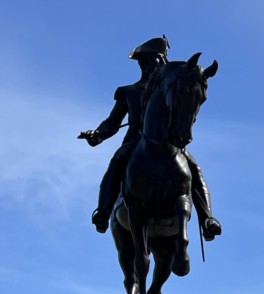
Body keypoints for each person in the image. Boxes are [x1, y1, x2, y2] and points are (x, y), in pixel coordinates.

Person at [79, 36, 221, 239]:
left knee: (193, 167)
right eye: (142, 62)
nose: (144, 65)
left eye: (148, 60)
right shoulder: (129, 92)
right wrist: (98, 134)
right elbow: (112, 122)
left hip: (169, 142)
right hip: (136, 141)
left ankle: (207, 218)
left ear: (161, 60)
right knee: (117, 160)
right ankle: (102, 211)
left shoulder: (171, 87)